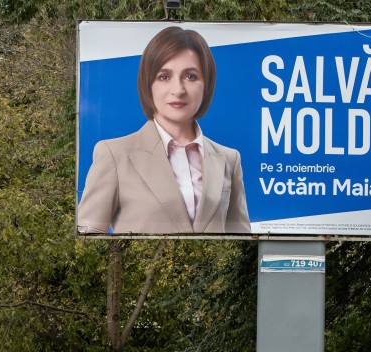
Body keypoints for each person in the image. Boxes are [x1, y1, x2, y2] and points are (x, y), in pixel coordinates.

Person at [77, 26, 251, 236]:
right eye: (164, 77)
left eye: (191, 76)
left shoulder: (229, 160)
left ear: (206, 84)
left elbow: (242, 241)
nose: (178, 90)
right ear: (148, 84)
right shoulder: (114, 155)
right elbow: (87, 239)